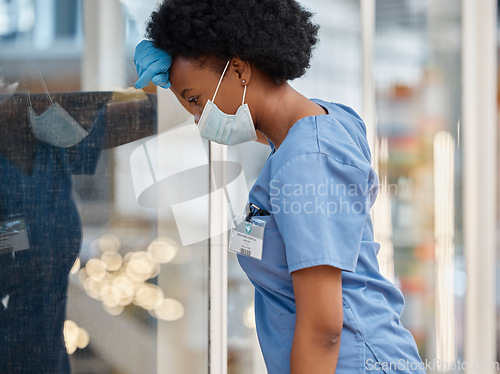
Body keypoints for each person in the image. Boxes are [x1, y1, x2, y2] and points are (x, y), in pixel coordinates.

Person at [134, 0, 426, 373]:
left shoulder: (308, 160)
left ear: (239, 69)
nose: (197, 119)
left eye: (195, 100)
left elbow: (323, 328)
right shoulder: (317, 126)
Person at [0, 90, 157, 373]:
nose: (89, 111)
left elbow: (151, 115)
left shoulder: (50, 144)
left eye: (97, 103)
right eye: (80, 102)